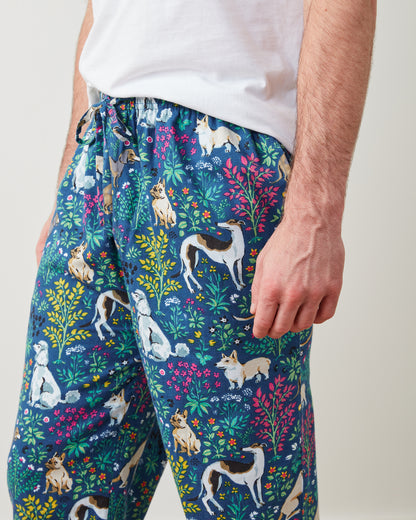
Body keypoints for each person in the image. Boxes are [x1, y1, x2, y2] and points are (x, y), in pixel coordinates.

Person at [7, 1, 376, 519]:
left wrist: (316, 211)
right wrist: (71, 180)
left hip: (218, 157)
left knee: (246, 500)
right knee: (52, 484)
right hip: (100, 146)